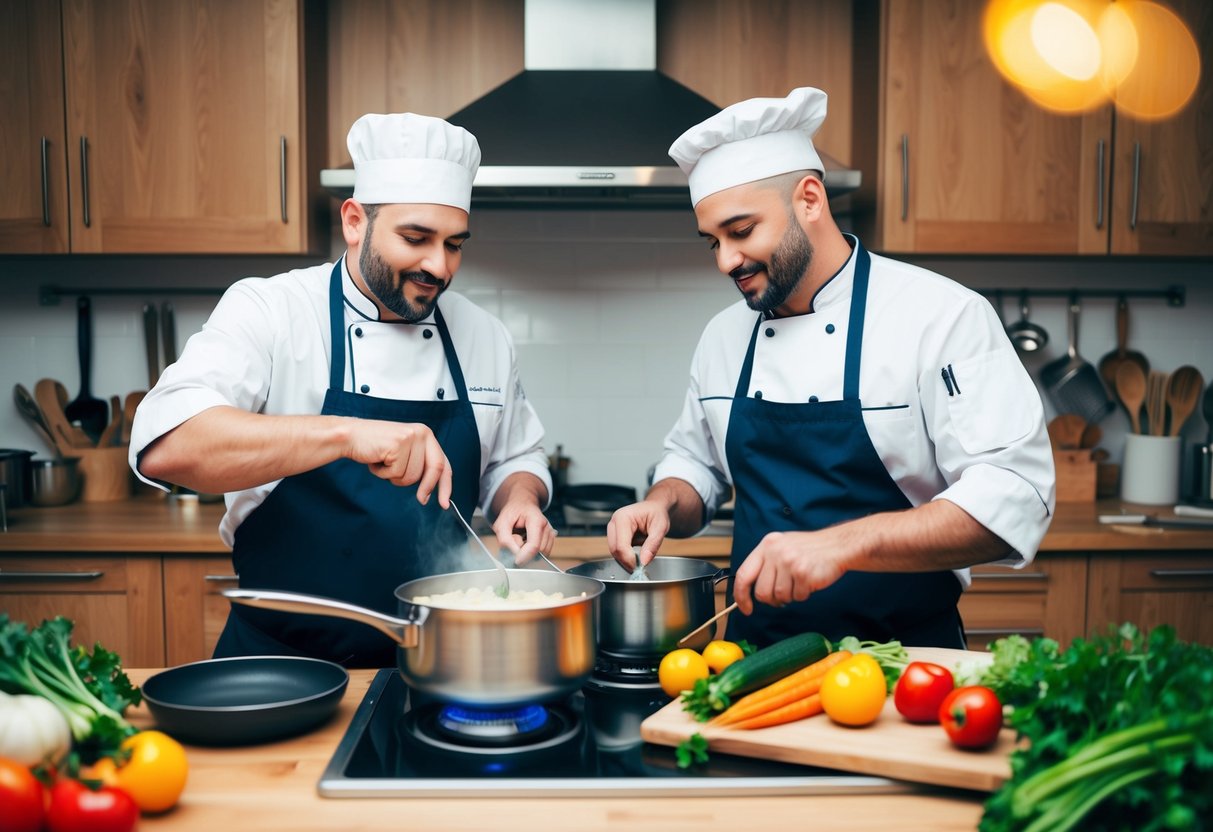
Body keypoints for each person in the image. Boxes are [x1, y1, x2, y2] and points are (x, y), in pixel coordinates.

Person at [606, 88, 1055, 649]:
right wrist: (663, 501)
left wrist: (840, 544)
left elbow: (1013, 498)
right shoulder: (723, 335)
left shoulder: (942, 317)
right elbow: (697, 463)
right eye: (712, 241)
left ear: (810, 199)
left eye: (741, 231)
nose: (725, 261)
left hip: (905, 667)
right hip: (750, 664)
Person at [130, 112, 555, 667]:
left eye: (454, 244)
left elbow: (517, 454)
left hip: (438, 665)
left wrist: (519, 498)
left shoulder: (484, 334)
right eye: (416, 238)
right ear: (355, 221)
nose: (439, 266)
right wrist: (348, 434)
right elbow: (167, 445)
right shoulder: (271, 310)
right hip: (280, 665)